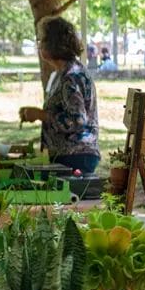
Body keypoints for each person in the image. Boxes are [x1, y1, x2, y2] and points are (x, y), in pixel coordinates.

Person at [19, 16, 100, 174]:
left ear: (53, 44)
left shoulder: (71, 77)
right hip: (66, 155)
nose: (39, 45)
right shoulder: (62, 73)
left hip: (76, 156)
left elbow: (77, 121)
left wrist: (41, 115)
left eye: (41, 41)